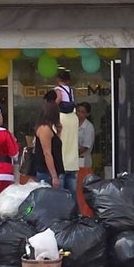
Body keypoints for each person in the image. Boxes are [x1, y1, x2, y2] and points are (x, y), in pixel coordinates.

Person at [54, 71, 79, 201]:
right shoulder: (75, 118)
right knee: (73, 198)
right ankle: (75, 218)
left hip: (60, 164)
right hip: (73, 163)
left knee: (61, 199)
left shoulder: (57, 120)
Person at [34, 101, 65, 188]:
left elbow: (54, 148)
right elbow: (47, 153)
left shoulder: (49, 128)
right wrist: (54, 176)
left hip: (52, 171)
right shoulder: (45, 129)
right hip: (47, 172)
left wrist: (58, 132)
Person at [77, 102, 95, 168]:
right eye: (78, 111)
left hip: (83, 159)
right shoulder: (74, 123)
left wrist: (73, 154)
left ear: (87, 114)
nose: (79, 113)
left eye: (82, 112)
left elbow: (86, 146)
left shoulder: (89, 127)